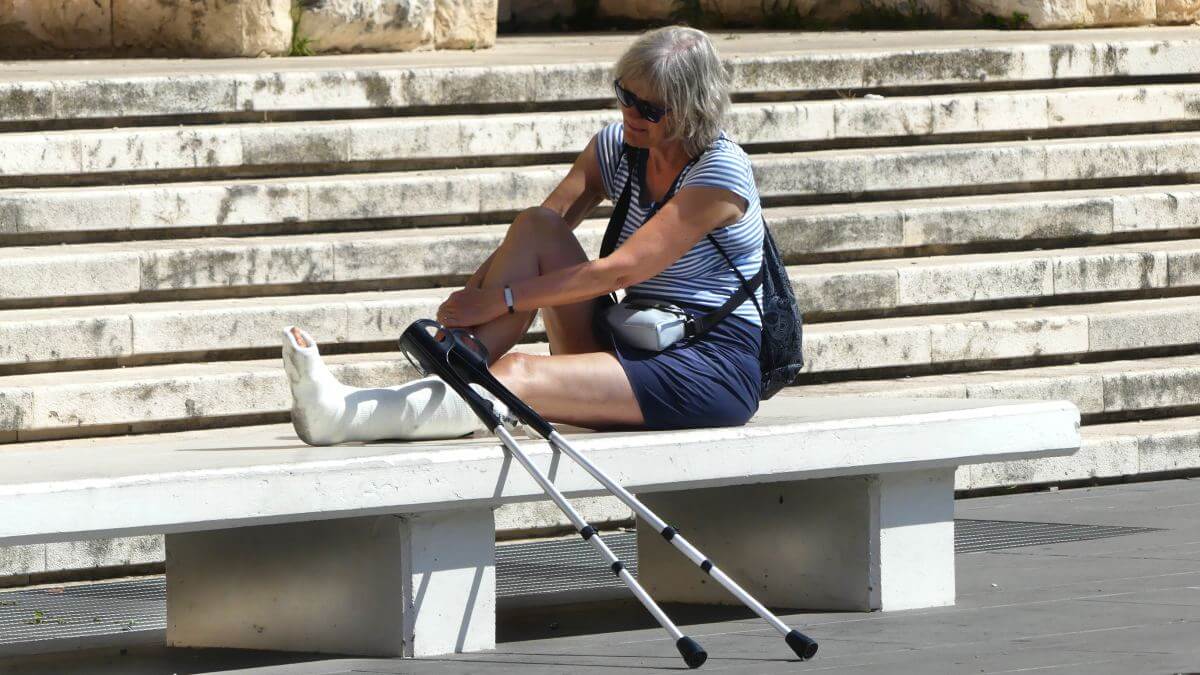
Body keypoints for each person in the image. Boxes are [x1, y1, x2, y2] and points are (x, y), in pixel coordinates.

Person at [282, 25, 764, 445]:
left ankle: (345, 415)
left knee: (517, 373)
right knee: (536, 225)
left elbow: (623, 268)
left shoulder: (719, 174)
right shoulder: (618, 148)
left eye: (650, 109)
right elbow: (539, 228)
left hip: (709, 365)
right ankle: (465, 354)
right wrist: (472, 298)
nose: (630, 113)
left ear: (691, 109)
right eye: (625, 95)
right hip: (633, 339)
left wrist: (503, 300)